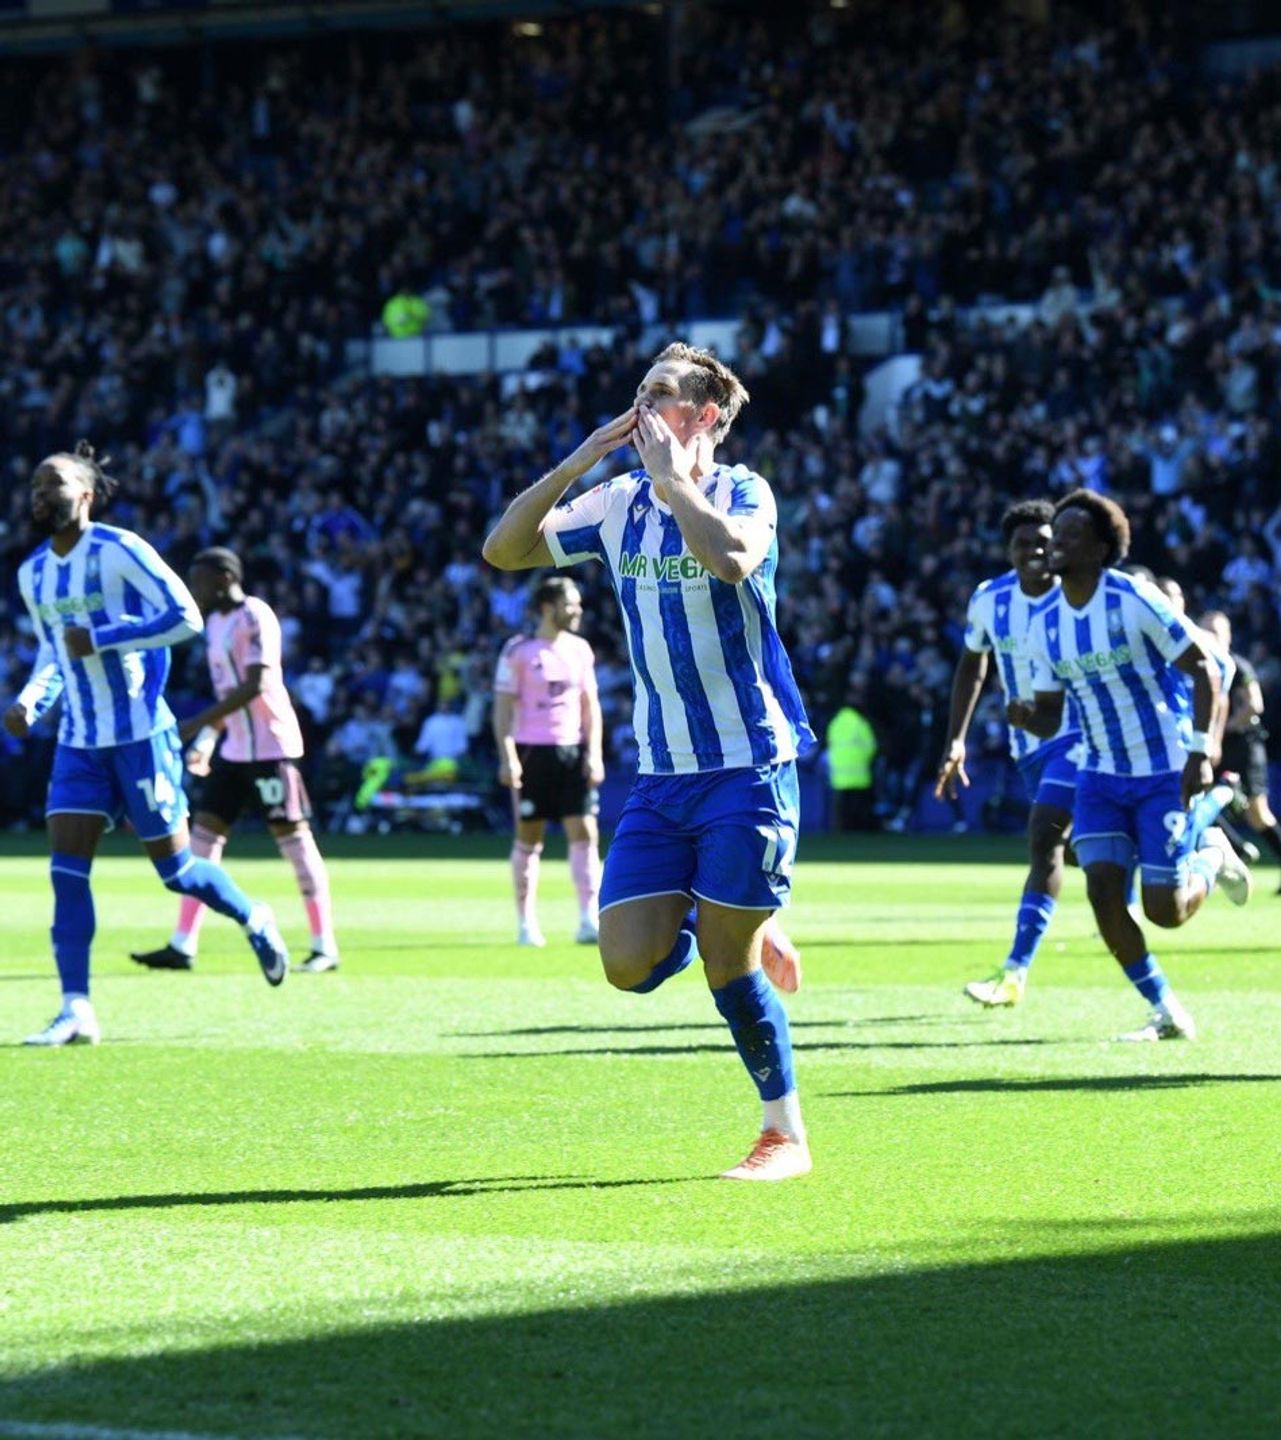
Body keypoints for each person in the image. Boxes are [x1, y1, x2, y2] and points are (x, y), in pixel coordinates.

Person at [482, 342, 812, 1181]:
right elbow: (504, 549)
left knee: (724, 969)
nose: (642, 407)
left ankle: (784, 1135)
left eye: (659, 395)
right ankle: (718, 912)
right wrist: (583, 456)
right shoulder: (615, 501)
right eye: (639, 392)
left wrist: (676, 483)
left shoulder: (744, 490)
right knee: (626, 966)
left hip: (747, 764)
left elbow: (731, 558)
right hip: (662, 775)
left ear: (703, 416)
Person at [5, 444, 289, 1046]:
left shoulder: (121, 549)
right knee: (67, 873)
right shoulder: (33, 574)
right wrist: (32, 701)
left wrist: (104, 636)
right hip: (79, 742)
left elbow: (185, 617)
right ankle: (76, 1008)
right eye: (33, 484)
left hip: (140, 736)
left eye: (51, 482)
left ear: (84, 493)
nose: (38, 494)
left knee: (178, 871)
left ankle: (255, 916)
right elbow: (54, 651)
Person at [1010, 489, 1250, 1043]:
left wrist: (1201, 748)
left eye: (1069, 535)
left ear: (1099, 548)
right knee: (1102, 892)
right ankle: (1164, 1008)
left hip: (1162, 767)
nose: (1055, 543)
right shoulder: (1044, 621)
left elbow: (1204, 670)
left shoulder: (1133, 598)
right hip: (1098, 773)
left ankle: (1214, 852)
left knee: (1164, 910)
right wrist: (1026, 714)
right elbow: (1050, 716)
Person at [130, 547, 339, 974]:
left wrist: (195, 724)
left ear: (225, 577)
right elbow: (229, 697)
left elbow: (257, 684)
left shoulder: (255, 615)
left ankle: (324, 946)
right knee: (201, 844)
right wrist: (208, 738)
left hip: (271, 749)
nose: (195, 589)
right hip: (234, 750)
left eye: (201, 580)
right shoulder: (217, 625)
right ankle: (183, 943)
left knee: (295, 842)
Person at [936, 499, 1082, 1008]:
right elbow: (972, 667)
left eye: (1044, 542)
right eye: (1024, 543)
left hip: (1081, 734)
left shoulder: (1074, 597)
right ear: (1009, 550)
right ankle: (1199, 844)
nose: (1035, 551)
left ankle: (1015, 971)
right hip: (1029, 746)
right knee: (1084, 851)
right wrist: (957, 738)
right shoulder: (989, 599)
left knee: (1043, 839)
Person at [493, 576, 605, 946]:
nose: (577, 610)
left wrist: (594, 753)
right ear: (547, 607)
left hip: (571, 750)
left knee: (585, 833)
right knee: (529, 837)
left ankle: (589, 920)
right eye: (570, 603)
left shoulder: (580, 650)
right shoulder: (518, 651)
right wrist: (508, 757)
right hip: (531, 751)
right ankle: (526, 923)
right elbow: (502, 711)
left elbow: (591, 708)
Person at [1201, 610, 1281, 891]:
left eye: (1217, 631)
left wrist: (1224, 728)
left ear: (1228, 636)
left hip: (1244, 746)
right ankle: (1237, 847)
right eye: (1206, 630)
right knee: (1198, 798)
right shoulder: (1195, 666)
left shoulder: (1238, 666)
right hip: (1215, 746)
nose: (1211, 636)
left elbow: (1254, 706)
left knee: (1258, 814)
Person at [826, 678, 878, 831]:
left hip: (839, 775)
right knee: (858, 810)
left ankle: (840, 830)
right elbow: (871, 747)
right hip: (860, 774)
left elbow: (830, 745)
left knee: (841, 810)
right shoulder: (861, 723)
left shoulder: (835, 723)